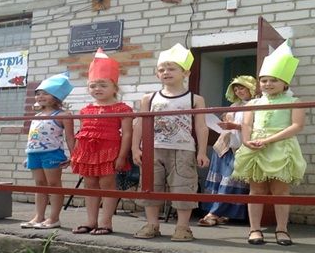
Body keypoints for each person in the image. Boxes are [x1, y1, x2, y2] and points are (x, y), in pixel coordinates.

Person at [132, 43, 210, 241]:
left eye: (171, 68)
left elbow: (201, 127)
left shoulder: (195, 99)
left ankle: (183, 227)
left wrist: (201, 151)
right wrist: (135, 148)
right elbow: (140, 124)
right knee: (151, 186)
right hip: (153, 149)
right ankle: (152, 224)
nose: (166, 72)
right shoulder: (149, 98)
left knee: (184, 186)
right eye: (162, 69)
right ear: (157, 74)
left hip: (183, 150)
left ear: (186, 73)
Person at [232, 41, 306, 246]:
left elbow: (297, 125)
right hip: (256, 148)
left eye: (274, 80)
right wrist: (247, 141)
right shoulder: (254, 103)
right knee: (256, 190)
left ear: (285, 83)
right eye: (264, 80)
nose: (268, 84)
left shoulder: (294, 102)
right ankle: (254, 229)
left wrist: (268, 139)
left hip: (281, 148)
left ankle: (282, 229)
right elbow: (246, 124)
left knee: (280, 191)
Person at [71, 48, 133, 235]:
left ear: (115, 87)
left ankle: (106, 222)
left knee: (107, 185)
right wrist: (76, 155)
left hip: (109, 152)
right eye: (93, 85)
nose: (97, 89)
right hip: (87, 153)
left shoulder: (123, 109)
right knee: (90, 184)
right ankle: (91, 221)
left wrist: (122, 156)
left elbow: (127, 134)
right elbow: (82, 133)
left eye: (103, 85)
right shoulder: (85, 110)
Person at [199, 75, 257, 227]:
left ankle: (213, 214)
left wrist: (235, 126)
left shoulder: (257, 105)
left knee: (231, 181)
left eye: (242, 88)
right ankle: (219, 214)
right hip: (224, 147)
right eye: (236, 89)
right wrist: (224, 124)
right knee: (220, 182)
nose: (238, 92)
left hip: (241, 147)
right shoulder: (234, 105)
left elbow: (257, 127)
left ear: (251, 88)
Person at [21, 71, 75, 229]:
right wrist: (28, 154)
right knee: (39, 184)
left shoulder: (63, 115)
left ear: (56, 96)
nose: (40, 96)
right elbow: (33, 137)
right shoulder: (37, 115)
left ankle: (54, 218)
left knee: (53, 184)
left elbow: (70, 138)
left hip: (52, 153)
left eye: (45, 93)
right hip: (34, 154)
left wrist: (74, 156)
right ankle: (39, 216)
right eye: (38, 94)